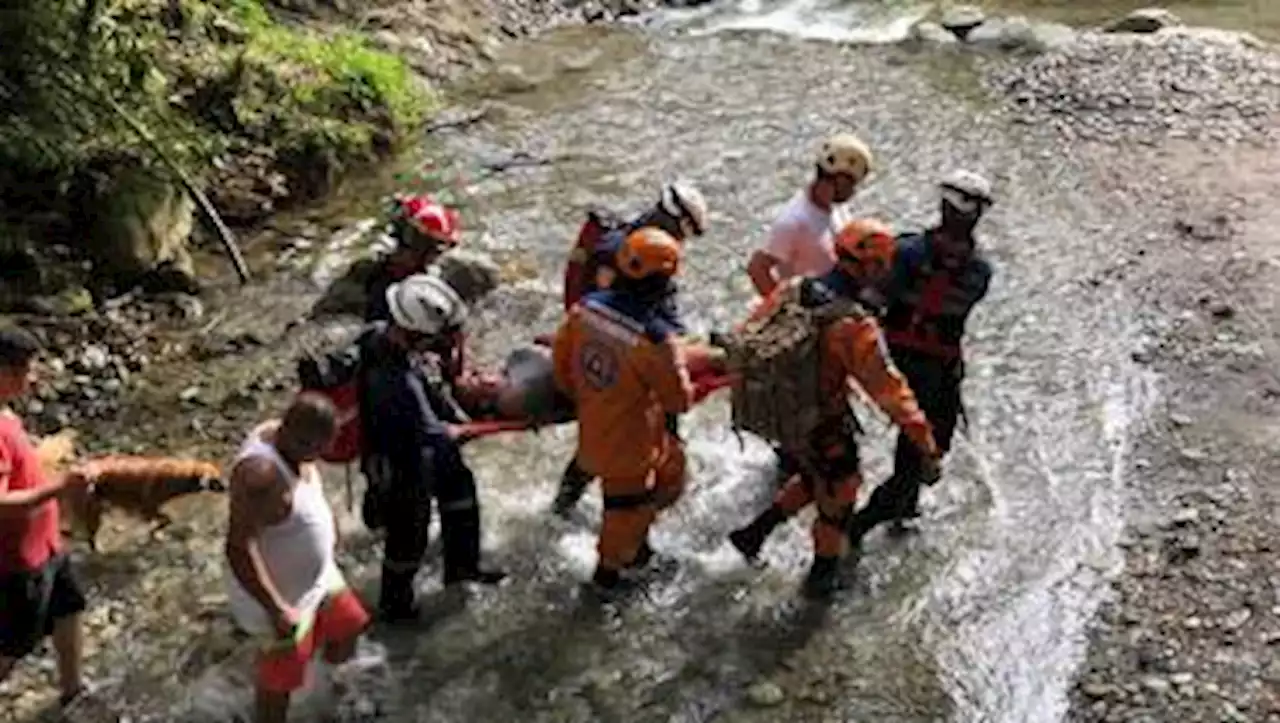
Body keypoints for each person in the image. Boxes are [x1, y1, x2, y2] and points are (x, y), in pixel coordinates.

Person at [726, 220, 941, 598]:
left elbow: (749, 332)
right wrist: (924, 441)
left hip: (786, 415)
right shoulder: (853, 325)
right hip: (823, 423)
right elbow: (890, 392)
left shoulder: (795, 288)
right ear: (872, 267)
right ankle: (820, 581)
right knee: (840, 496)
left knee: (815, 475)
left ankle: (753, 534)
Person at [847, 171, 995, 547]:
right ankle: (866, 522)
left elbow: (874, 301)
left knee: (922, 450)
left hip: (903, 362)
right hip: (931, 367)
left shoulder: (908, 253)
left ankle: (900, 508)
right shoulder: (977, 271)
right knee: (924, 452)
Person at [553, 181, 708, 516]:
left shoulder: (650, 252)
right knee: (608, 437)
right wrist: (664, 350)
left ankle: (574, 505)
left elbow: (661, 306)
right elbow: (609, 314)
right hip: (624, 360)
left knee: (601, 440)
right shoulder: (617, 251)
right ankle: (623, 524)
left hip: (639, 353)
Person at [552, 227, 695, 591]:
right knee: (624, 518)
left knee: (668, 472)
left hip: (594, 429)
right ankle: (607, 582)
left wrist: (589, 398)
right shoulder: (654, 339)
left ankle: (635, 546)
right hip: (630, 446)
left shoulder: (585, 310)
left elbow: (562, 364)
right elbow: (678, 400)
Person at [357, 274, 505, 621]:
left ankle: (463, 568)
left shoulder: (380, 337)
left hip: (413, 447)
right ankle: (396, 609)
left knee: (460, 491)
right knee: (408, 537)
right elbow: (439, 434)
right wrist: (496, 426)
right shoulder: (395, 381)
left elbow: (433, 396)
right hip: (399, 463)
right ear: (417, 335)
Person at [225, 393, 370, 723]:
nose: (324, 456)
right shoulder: (260, 478)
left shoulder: (285, 435)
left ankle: (332, 700)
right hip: (282, 596)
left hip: (319, 579)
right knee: (281, 681)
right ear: (297, 437)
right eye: (320, 449)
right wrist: (275, 609)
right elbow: (237, 548)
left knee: (349, 627)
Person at [0, 328, 94, 710]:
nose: (34, 377)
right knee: (12, 646)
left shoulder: (6, 411)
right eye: (27, 369)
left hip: (47, 546)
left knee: (69, 609)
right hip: (17, 562)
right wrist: (58, 489)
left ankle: (74, 692)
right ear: (3, 370)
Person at [746, 133, 874, 298]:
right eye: (850, 183)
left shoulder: (838, 209)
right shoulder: (793, 222)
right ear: (838, 178)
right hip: (811, 306)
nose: (853, 191)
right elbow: (758, 269)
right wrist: (785, 309)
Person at [308, 193, 462, 321]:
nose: (428, 258)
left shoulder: (436, 284)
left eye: (436, 250)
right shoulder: (366, 273)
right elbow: (324, 313)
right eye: (422, 248)